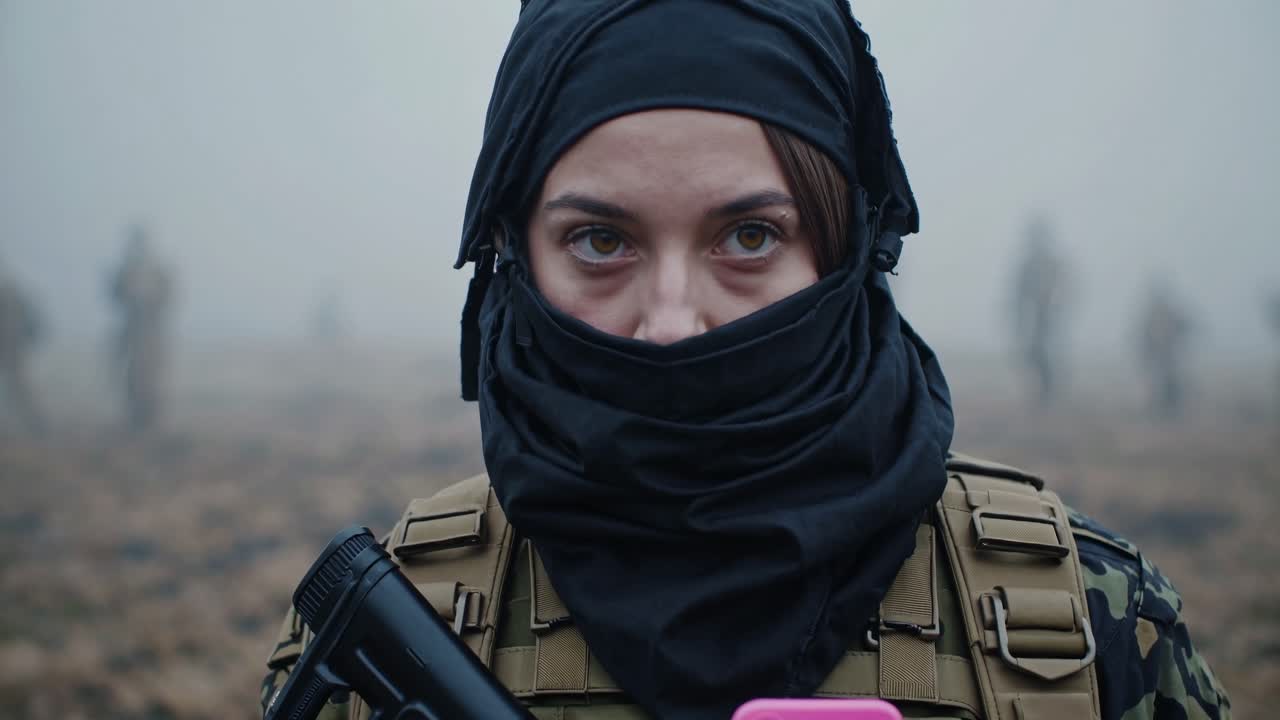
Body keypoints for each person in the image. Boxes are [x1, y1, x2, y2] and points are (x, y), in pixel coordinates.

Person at [261, 3, 1230, 719]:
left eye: (749, 238)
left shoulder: (1088, 620)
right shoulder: (391, 640)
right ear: (512, 255)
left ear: (845, 250)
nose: (674, 324)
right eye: (600, 242)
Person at [108, 225, 175, 433]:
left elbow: (169, 295)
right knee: (132, 375)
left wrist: (151, 303)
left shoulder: (158, 269)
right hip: (133, 329)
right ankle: (136, 417)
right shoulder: (127, 270)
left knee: (151, 375)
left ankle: (150, 418)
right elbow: (115, 293)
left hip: (152, 330)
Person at [1010, 216, 1069, 407]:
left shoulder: (1051, 263)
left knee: (1047, 353)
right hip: (1034, 316)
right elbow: (1020, 291)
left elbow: (1064, 287)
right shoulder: (1029, 264)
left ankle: (1049, 392)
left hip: (1049, 316)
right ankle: (1045, 391)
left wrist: (1055, 302)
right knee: (1033, 352)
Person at [1136, 279, 1192, 419]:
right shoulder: (1150, 314)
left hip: (1167, 357)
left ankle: (1171, 410)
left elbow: (1182, 327)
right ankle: (1158, 410)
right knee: (1156, 384)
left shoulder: (1169, 312)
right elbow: (1144, 336)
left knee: (1170, 382)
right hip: (1157, 357)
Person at [0, 260, 45, 434]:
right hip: (12, 346)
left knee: (19, 387)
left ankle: (37, 424)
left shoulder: (9, 294)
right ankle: (36, 424)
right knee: (19, 386)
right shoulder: (12, 291)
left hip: (11, 346)